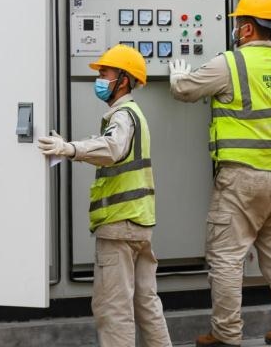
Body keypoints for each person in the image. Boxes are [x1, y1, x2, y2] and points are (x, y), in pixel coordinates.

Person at [168, 0, 271, 346]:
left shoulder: (230, 63)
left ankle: (226, 334)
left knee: (226, 258)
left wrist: (176, 76)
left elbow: (185, 90)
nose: (235, 29)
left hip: (242, 180)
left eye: (238, 24)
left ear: (248, 28)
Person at [38, 44, 172, 347]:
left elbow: (112, 149)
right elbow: (111, 145)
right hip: (138, 222)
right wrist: (72, 146)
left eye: (105, 72)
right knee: (146, 304)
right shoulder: (133, 114)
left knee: (113, 308)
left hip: (119, 225)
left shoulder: (123, 116)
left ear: (123, 80)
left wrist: (69, 149)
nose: (99, 78)